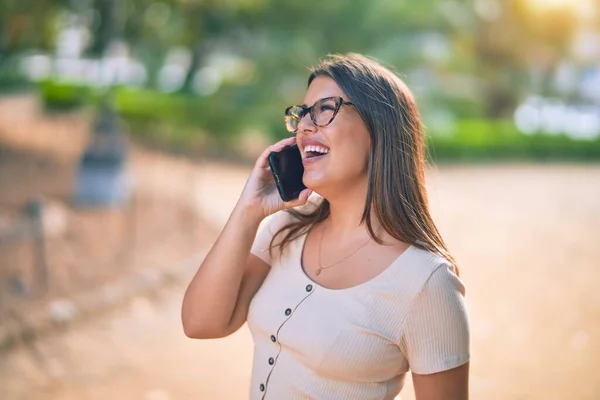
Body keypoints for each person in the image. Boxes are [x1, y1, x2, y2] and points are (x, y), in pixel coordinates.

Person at [182, 53, 470, 400]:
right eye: (302, 113)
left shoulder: (427, 283)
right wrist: (248, 211)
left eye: (325, 109)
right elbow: (201, 323)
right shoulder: (285, 229)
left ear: (380, 127)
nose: (304, 126)